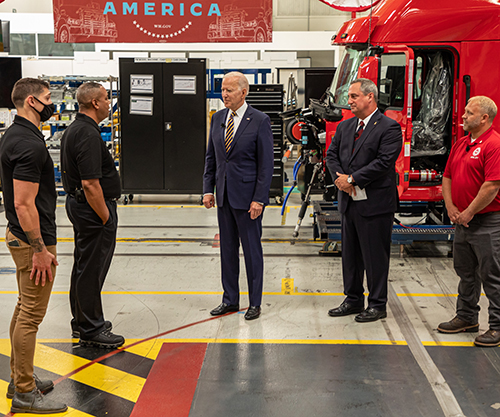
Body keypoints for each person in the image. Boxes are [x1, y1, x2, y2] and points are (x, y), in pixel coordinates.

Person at [0, 78, 67, 414]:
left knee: (23, 306)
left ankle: (18, 377)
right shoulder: (29, 144)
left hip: (21, 234)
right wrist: (40, 249)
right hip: (31, 239)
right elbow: (24, 203)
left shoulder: (17, 134)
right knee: (31, 315)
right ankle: (24, 392)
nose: (52, 102)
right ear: (30, 102)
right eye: (47, 98)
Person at [326, 78, 402, 322]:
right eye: (349, 96)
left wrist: (353, 179)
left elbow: (383, 162)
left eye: (354, 96)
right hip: (348, 200)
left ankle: (377, 304)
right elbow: (331, 155)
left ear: (370, 97)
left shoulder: (388, 127)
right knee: (350, 255)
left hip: (375, 203)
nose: (349, 101)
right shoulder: (345, 127)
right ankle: (353, 299)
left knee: (375, 256)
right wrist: (340, 180)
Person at [203, 71, 274, 320]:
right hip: (223, 196)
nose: (224, 95)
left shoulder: (260, 120)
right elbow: (211, 157)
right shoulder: (218, 118)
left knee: (252, 252)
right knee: (227, 251)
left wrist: (259, 199)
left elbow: (266, 166)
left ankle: (255, 302)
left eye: (229, 90)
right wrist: (207, 189)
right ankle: (230, 299)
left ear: (243, 92)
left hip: (248, 199)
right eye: (222, 90)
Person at [60, 82, 124, 348]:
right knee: (92, 269)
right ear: (95, 103)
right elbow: (90, 183)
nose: (109, 103)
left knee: (83, 266)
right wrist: (106, 217)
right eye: (107, 99)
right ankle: (91, 328)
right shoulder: (86, 134)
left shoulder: (76, 129)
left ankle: (82, 321)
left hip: (81, 207)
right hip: (92, 209)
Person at [437, 96, 500, 347]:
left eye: (468, 112)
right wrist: (451, 207)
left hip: (487, 221)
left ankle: (496, 326)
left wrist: (470, 212)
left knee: (492, 274)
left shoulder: (493, 144)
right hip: (462, 220)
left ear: (484, 118)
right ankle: (466, 316)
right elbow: (447, 177)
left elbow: (492, 186)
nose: (462, 116)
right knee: (466, 272)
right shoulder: (461, 143)